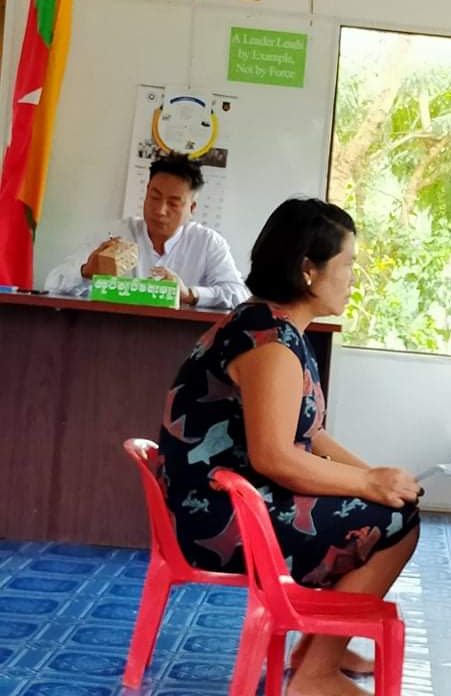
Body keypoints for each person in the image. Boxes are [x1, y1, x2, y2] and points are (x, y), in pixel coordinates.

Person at [158, 198, 420, 696]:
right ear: (308, 270)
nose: (353, 278)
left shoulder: (272, 325)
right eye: (348, 264)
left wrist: (376, 477)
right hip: (218, 516)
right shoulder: (271, 344)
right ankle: (314, 674)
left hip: (238, 500)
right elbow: (274, 456)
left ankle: (318, 649)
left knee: (382, 502)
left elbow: (311, 435)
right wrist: (368, 484)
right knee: (396, 523)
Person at [45, 152, 249, 309]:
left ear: (192, 208)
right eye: (155, 197)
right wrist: (85, 272)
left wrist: (189, 294)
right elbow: (52, 284)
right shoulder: (115, 233)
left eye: (173, 203)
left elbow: (239, 296)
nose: (160, 210)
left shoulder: (208, 243)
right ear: (146, 193)